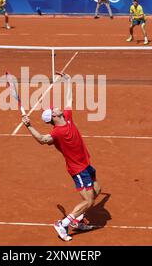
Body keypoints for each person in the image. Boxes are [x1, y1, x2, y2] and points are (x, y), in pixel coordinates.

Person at [21, 72, 102, 242]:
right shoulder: (56, 133)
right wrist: (29, 126)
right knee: (89, 201)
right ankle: (63, 223)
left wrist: (68, 81)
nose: (58, 108)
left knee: (96, 190)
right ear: (54, 117)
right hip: (78, 169)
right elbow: (42, 140)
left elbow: (69, 100)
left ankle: (78, 220)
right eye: (54, 110)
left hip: (85, 163)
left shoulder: (68, 118)